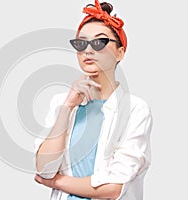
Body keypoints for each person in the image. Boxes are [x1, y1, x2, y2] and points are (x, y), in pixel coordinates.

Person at [34, 0, 153, 199]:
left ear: (120, 52)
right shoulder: (61, 102)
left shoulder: (135, 110)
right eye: (81, 43)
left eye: (99, 42)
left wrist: (55, 182)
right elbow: (44, 168)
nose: (88, 50)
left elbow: (113, 188)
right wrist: (67, 107)